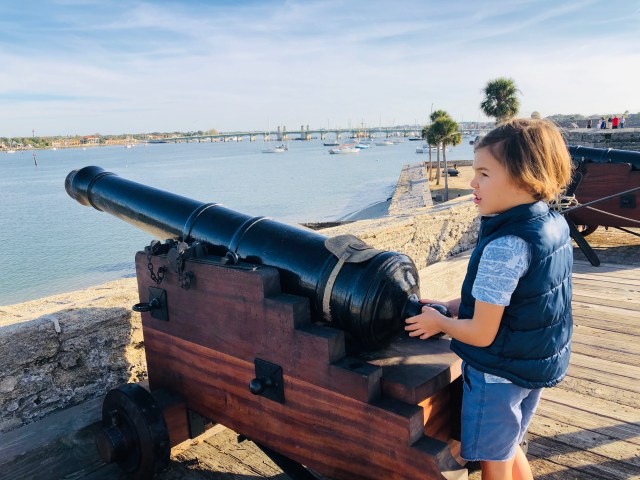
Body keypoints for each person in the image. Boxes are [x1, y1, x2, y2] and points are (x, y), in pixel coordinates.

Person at [406, 118, 573, 480]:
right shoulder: (552, 224)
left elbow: (482, 334)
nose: (472, 183)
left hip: (498, 374)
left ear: (525, 178)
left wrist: (440, 322)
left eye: (483, 173)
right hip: (533, 364)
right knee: (508, 447)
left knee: (493, 464)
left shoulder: (506, 245)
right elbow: (518, 299)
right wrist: (454, 307)